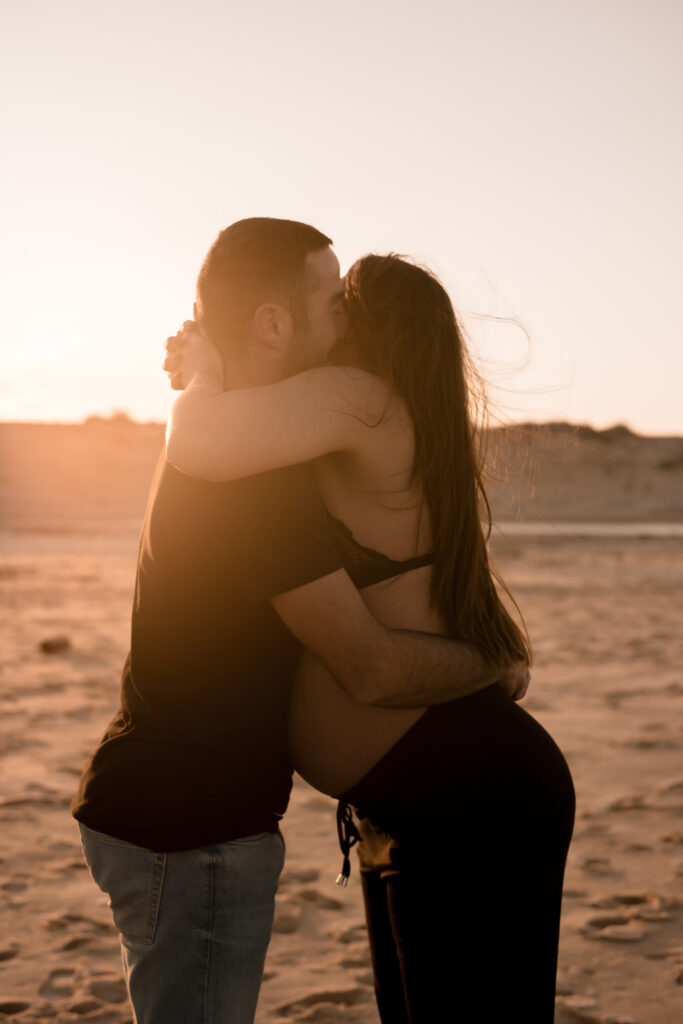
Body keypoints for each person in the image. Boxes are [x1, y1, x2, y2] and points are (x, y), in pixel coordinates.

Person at [73, 218, 528, 1024]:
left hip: (188, 812)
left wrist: (205, 371)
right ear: (274, 324)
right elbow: (369, 665)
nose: (347, 323)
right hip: (192, 820)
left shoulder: (261, 451)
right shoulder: (253, 477)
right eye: (334, 304)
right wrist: (496, 661)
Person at [163, 249, 575, 1022]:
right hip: (422, 798)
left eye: (338, 307)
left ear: (366, 328)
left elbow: (198, 443)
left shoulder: (361, 398)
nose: (325, 321)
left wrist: (206, 373)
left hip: (465, 797)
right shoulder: (393, 415)